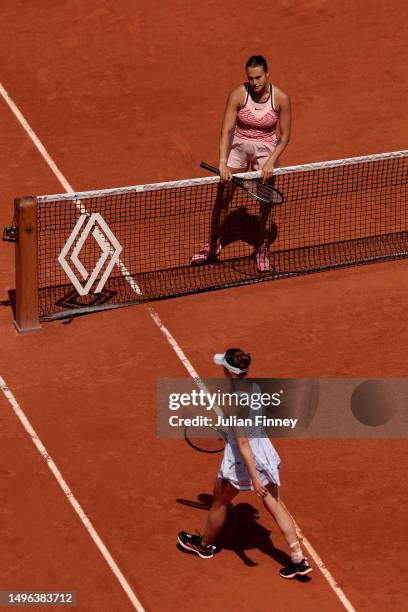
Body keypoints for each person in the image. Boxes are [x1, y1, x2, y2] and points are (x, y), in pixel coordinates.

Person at [177, 348, 312, 579]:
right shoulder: (255, 388)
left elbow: (243, 443)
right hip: (265, 452)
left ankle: (205, 545)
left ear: (228, 372)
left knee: (219, 502)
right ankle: (298, 558)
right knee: (276, 504)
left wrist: (253, 476)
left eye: (223, 366)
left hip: (244, 460)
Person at [192, 56, 291, 272]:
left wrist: (271, 162)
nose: (254, 82)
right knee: (223, 198)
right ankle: (213, 245)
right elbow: (226, 130)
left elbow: (284, 137)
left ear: (267, 74)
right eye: (250, 78)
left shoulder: (281, 98)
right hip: (239, 148)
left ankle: (262, 249)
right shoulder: (238, 95)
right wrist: (222, 163)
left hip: (267, 151)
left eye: (258, 77)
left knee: (266, 205)